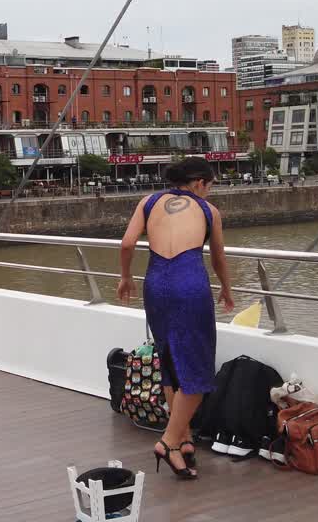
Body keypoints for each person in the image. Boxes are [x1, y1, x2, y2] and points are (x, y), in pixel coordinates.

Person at [118, 157, 234, 481]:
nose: (209, 192)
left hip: (155, 283)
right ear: (199, 183)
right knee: (197, 372)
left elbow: (127, 243)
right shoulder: (209, 211)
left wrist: (125, 278)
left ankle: (184, 439)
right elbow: (219, 257)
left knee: (169, 362)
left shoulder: (148, 201)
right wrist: (226, 288)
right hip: (190, 284)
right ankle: (169, 442)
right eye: (209, 186)